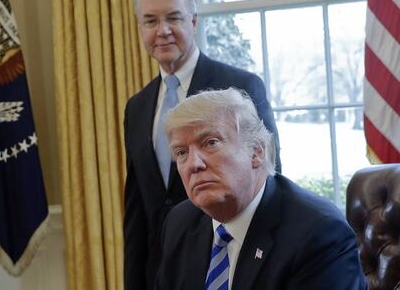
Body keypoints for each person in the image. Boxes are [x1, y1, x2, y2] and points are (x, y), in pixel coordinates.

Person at [124, 0, 282, 289]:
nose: (162, 30)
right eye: (151, 21)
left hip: (232, 263)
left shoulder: (240, 87)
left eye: (173, 17)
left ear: (193, 21)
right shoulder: (137, 107)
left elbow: (269, 176)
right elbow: (136, 209)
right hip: (166, 273)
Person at [156, 88, 368, 289]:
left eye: (211, 143)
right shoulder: (180, 223)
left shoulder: (317, 233)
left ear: (256, 152)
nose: (194, 164)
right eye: (182, 152)